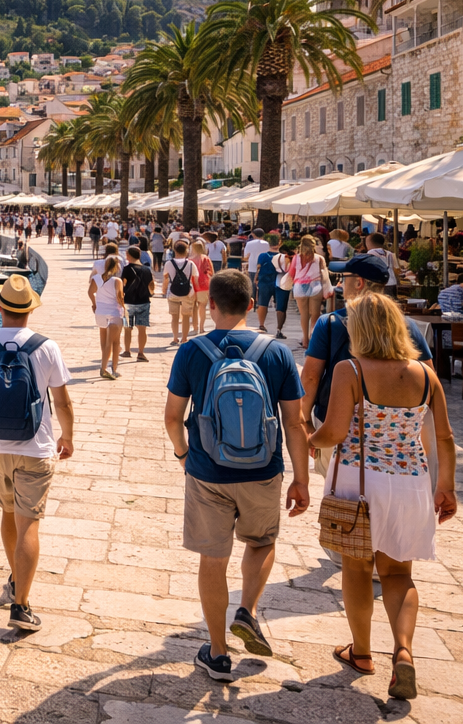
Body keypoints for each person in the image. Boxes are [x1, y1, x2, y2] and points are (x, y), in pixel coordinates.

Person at [163, 269, 310, 683]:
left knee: (213, 559)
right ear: (251, 304)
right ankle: (247, 610)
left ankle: (218, 653)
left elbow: (173, 417)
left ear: (210, 305)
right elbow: (295, 422)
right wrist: (301, 478)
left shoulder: (191, 351)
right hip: (263, 470)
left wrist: (183, 455)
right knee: (261, 542)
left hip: (208, 470)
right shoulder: (277, 352)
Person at [310, 293, 457, 701]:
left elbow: (334, 431)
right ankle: (404, 651)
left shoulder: (351, 370)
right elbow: (444, 437)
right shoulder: (426, 375)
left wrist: (309, 438)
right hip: (410, 485)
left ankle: (361, 652)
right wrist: (446, 487)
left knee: (357, 570)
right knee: (398, 574)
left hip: (358, 484)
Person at [0, 275, 77, 634]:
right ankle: (20, 605)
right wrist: (67, 436)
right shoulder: (47, 347)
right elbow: (62, 402)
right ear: (30, 310)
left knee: (8, 512)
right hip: (36, 448)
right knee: (29, 523)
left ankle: (15, 578)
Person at [301, 256, 432, 478]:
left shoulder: (330, 323)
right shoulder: (407, 325)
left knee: (340, 490)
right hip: (394, 433)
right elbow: (427, 374)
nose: (340, 283)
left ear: (359, 282)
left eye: (344, 278)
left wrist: (304, 421)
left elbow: (311, 377)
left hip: (335, 424)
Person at [89, 254, 125, 378]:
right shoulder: (117, 281)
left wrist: (94, 304)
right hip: (114, 312)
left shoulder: (96, 278)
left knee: (104, 342)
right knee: (114, 342)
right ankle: (109, 368)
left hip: (100, 312)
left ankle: (105, 365)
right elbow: (120, 298)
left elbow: (90, 292)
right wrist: (124, 309)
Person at [290, 235, 329, 346]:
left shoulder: (296, 258)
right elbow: (324, 275)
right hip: (315, 285)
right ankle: (313, 337)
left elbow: (291, 273)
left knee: (304, 314)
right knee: (315, 314)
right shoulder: (319, 258)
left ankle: (305, 340)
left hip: (300, 286)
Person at [120, 246, 154, 363]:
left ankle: (127, 351)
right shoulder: (146, 270)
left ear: (129, 255)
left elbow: (122, 284)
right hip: (143, 301)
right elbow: (151, 284)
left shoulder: (126, 269)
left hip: (129, 301)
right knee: (142, 329)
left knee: (128, 328)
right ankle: (141, 352)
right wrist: (150, 293)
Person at [163, 240, 200, 347]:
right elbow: (195, 280)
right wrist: (196, 292)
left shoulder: (168, 263)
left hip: (173, 292)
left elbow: (166, 278)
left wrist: (164, 290)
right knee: (186, 316)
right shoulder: (191, 264)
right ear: (186, 250)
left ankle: (175, 338)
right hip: (187, 293)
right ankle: (184, 338)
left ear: (174, 250)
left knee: (174, 317)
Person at [254, 234, 289, 339]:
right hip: (281, 282)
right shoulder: (284, 257)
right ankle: (279, 329)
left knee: (262, 303)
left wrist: (256, 279)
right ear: (280, 243)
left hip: (265, 281)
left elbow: (258, 268)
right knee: (281, 306)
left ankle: (261, 325)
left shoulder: (262, 256)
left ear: (268, 243)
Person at [190, 239, 215, 336]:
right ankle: (201, 327)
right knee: (202, 307)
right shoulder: (206, 258)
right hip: (204, 285)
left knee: (193, 307)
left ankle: (195, 327)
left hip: (192, 285)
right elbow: (211, 272)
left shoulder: (190, 260)